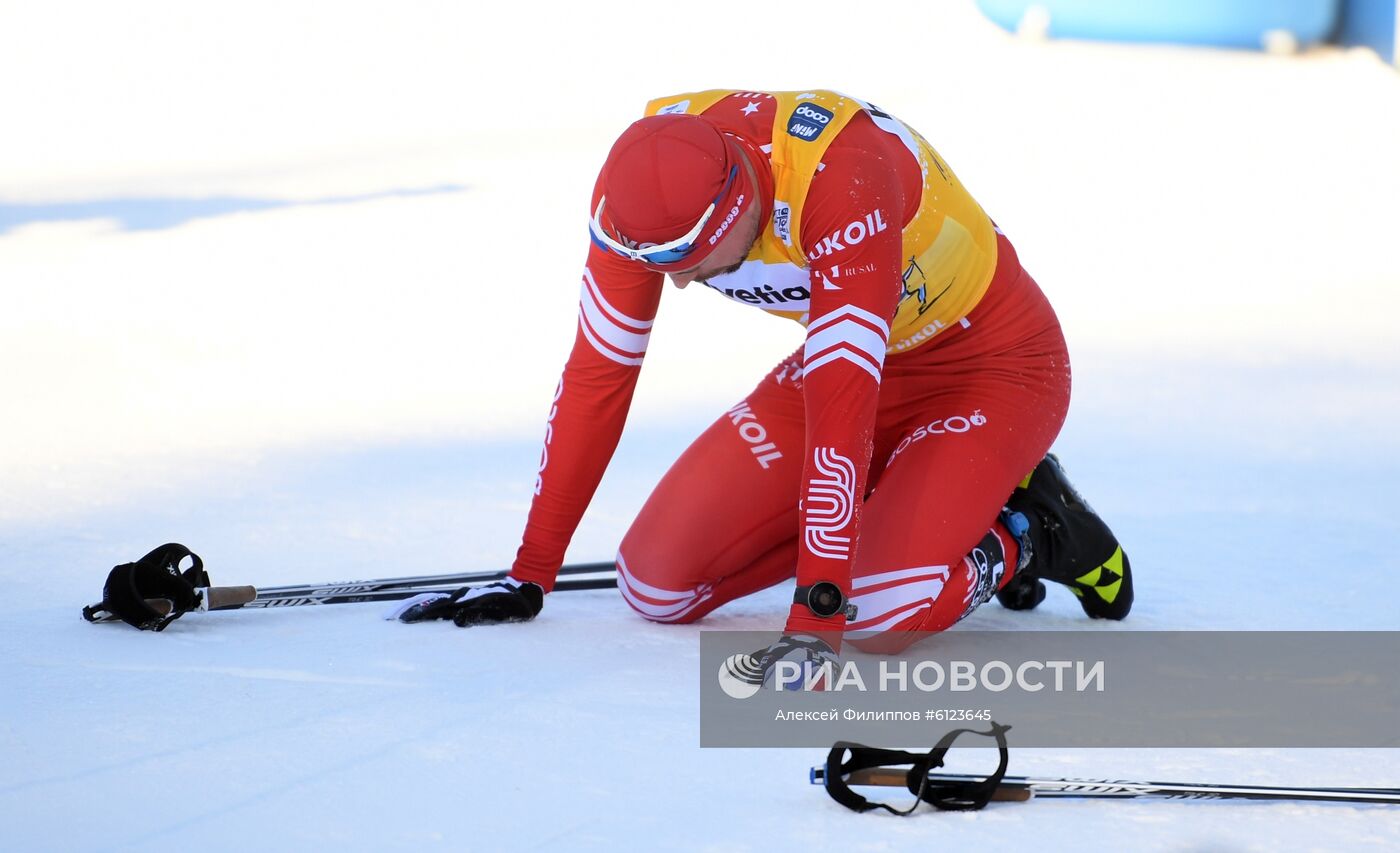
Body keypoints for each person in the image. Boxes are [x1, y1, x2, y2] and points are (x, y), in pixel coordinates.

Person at [409, 89, 1132, 665]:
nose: (681, 284)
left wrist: (817, 608)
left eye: (691, 259)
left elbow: (841, 406)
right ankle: (908, 503)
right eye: (662, 266)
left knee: (872, 615)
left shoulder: (840, 174)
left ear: (740, 203)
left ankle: (1029, 529)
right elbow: (599, 374)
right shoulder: (638, 186)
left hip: (992, 367)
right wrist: (530, 570)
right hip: (860, 365)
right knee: (654, 584)